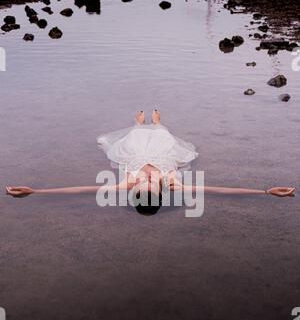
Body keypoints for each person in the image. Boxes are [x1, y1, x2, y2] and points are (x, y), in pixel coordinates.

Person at [5, 110, 295, 215]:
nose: (144, 183)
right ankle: (155, 123)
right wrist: (265, 192)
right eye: (148, 188)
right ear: (158, 193)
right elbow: (217, 190)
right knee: (164, 137)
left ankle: (141, 123)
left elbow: (82, 189)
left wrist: (38, 192)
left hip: (134, 155)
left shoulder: (128, 183)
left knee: (133, 138)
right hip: (163, 155)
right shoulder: (172, 183)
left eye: (141, 188)